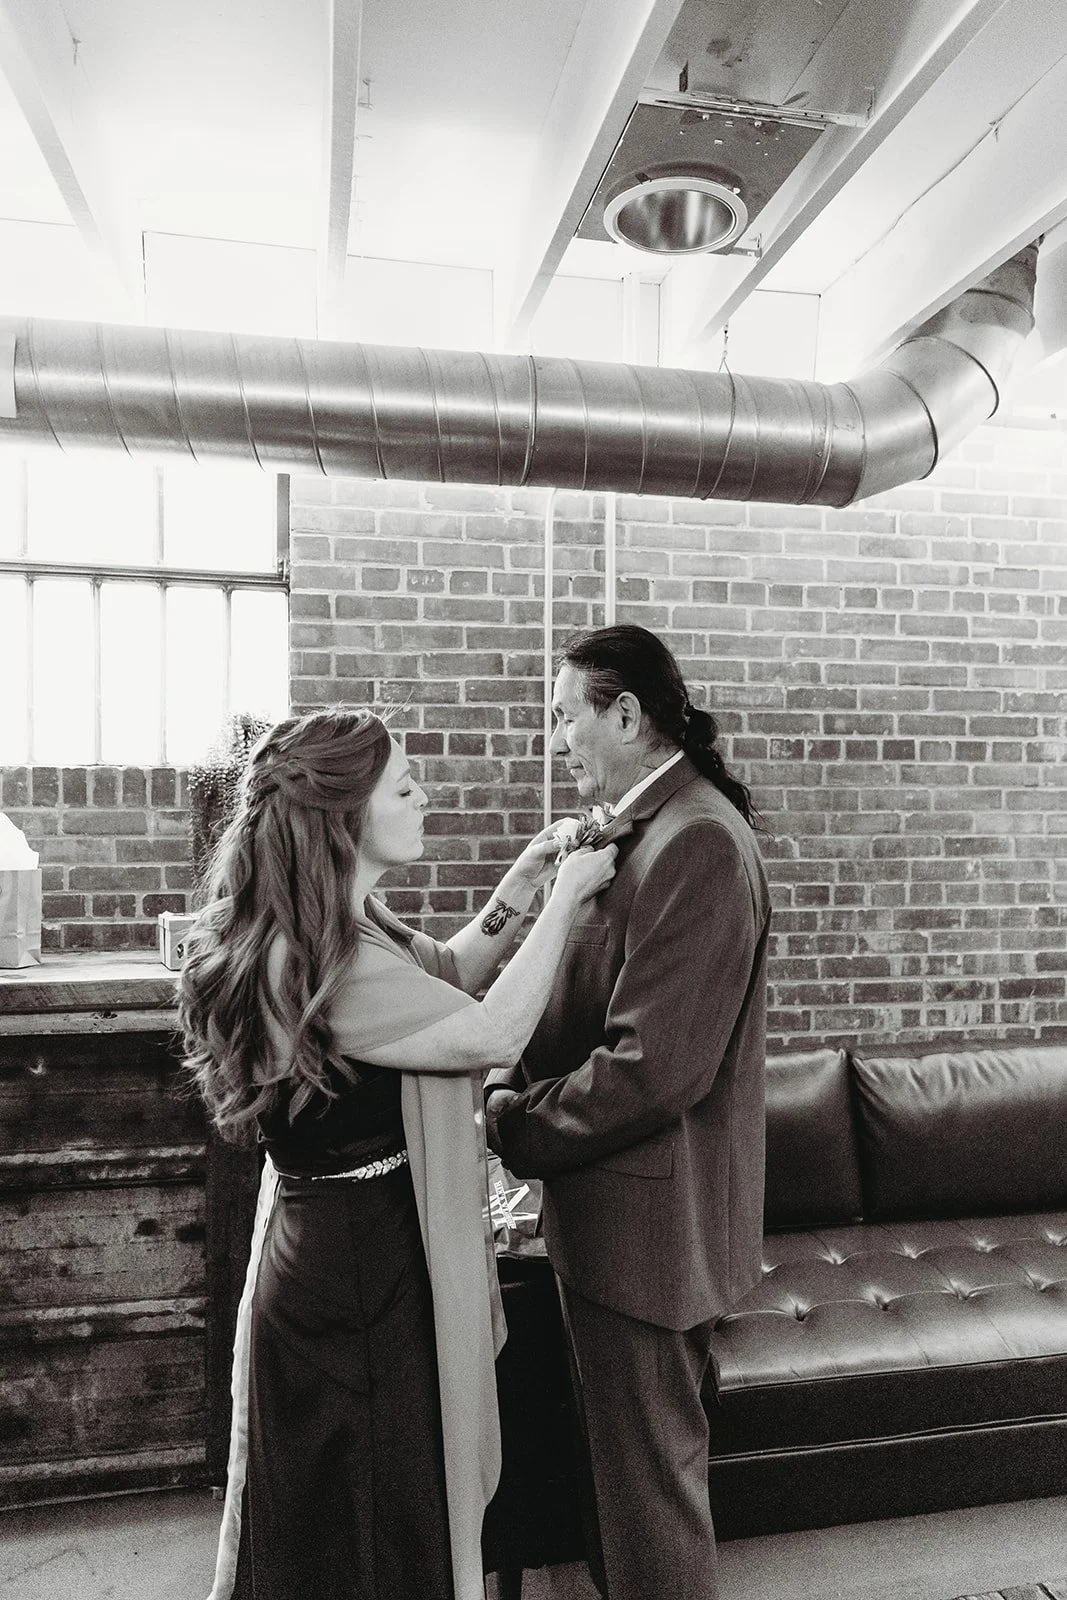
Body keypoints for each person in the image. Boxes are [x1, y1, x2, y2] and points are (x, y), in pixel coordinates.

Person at [178, 707, 616, 1600]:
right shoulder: (323, 960)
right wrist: (570, 896)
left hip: (355, 1247)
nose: (424, 799)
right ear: (343, 816)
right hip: (352, 1279)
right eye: (405, 787)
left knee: (375, 1511)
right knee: (372, 1519)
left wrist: (524, 882)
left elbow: (443, 978)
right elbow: (488, 1032)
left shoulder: (341, 924)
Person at [485, 624, 771, 1600]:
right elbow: (584, 997)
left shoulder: (697, 840)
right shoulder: (635, 831)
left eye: (565, 716)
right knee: (615, 1496)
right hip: (608, 1228)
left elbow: (653, 1068)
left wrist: (515, 1124)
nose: (555, 739)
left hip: (648, 1239)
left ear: (625, 714)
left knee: (648, 1509)